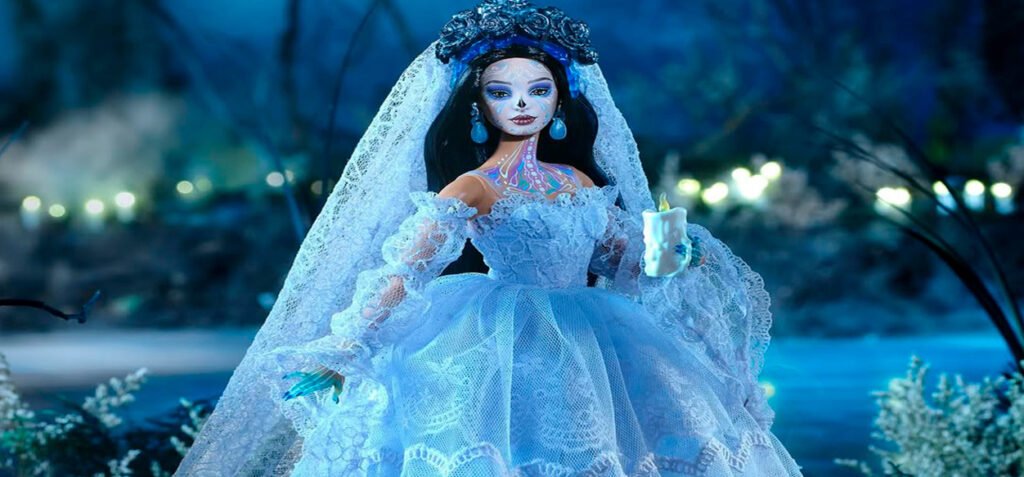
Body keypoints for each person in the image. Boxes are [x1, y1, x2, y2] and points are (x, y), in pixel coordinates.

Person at [175, 1, 804, 475]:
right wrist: (347, 345)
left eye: (538, 90)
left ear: (559, 101)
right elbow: (408, 270)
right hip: (498, 334)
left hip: (597, 334)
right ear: (480, 105)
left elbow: (623, 266)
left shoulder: (578, 179)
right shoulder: (474, 186)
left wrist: (672, 252)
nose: (522, 104)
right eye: (502, 93)